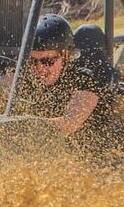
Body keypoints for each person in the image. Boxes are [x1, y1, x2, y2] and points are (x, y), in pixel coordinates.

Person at [17, 14, 117, 163]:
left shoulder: (85, 79)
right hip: (57, 156)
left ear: (66, 54)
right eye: (33, 61)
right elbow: (3, 91)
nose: (39, 69)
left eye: (47, 61)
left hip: (95, 161)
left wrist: (17, 124)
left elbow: (68, 124)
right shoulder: (34, 77)